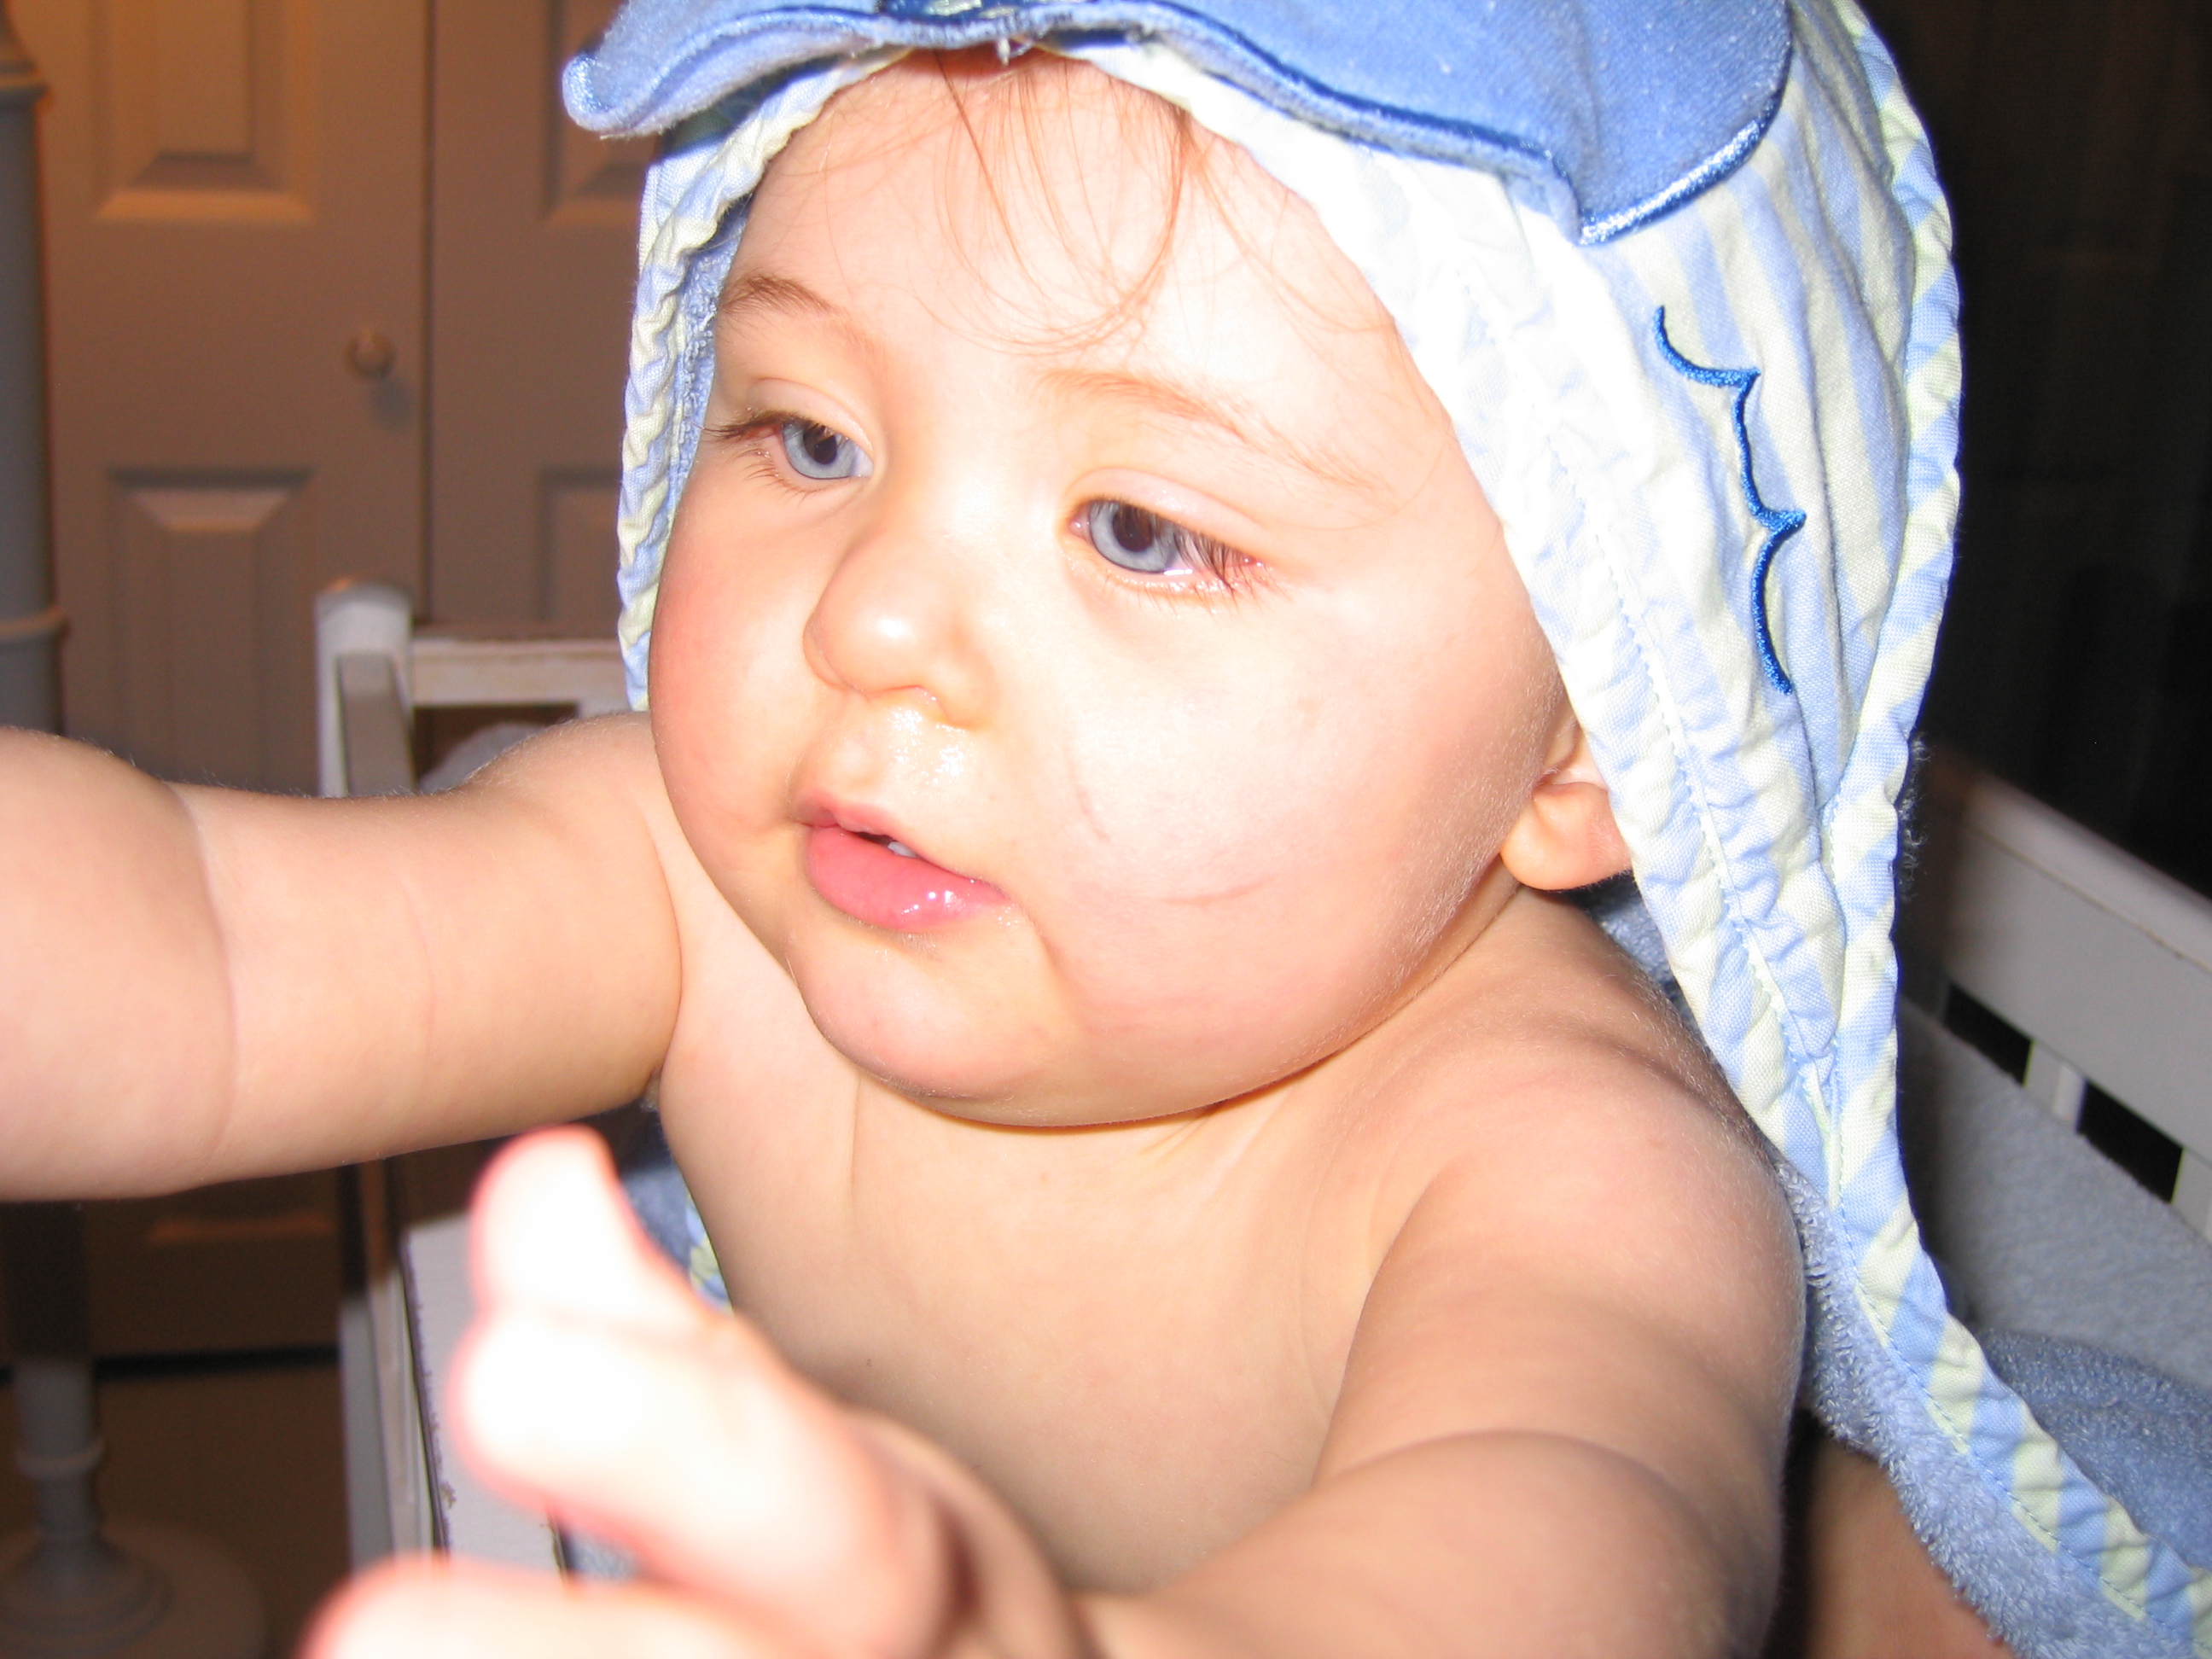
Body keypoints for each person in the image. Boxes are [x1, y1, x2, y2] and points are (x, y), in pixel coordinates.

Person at [11, 2, 2074, 1655]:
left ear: (1598, 736)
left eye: (1143, 530)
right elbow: (211, 952)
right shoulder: (693, 893)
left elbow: (1563, 1550)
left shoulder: (1561, 1162)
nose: (871, 621)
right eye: (812, 435)